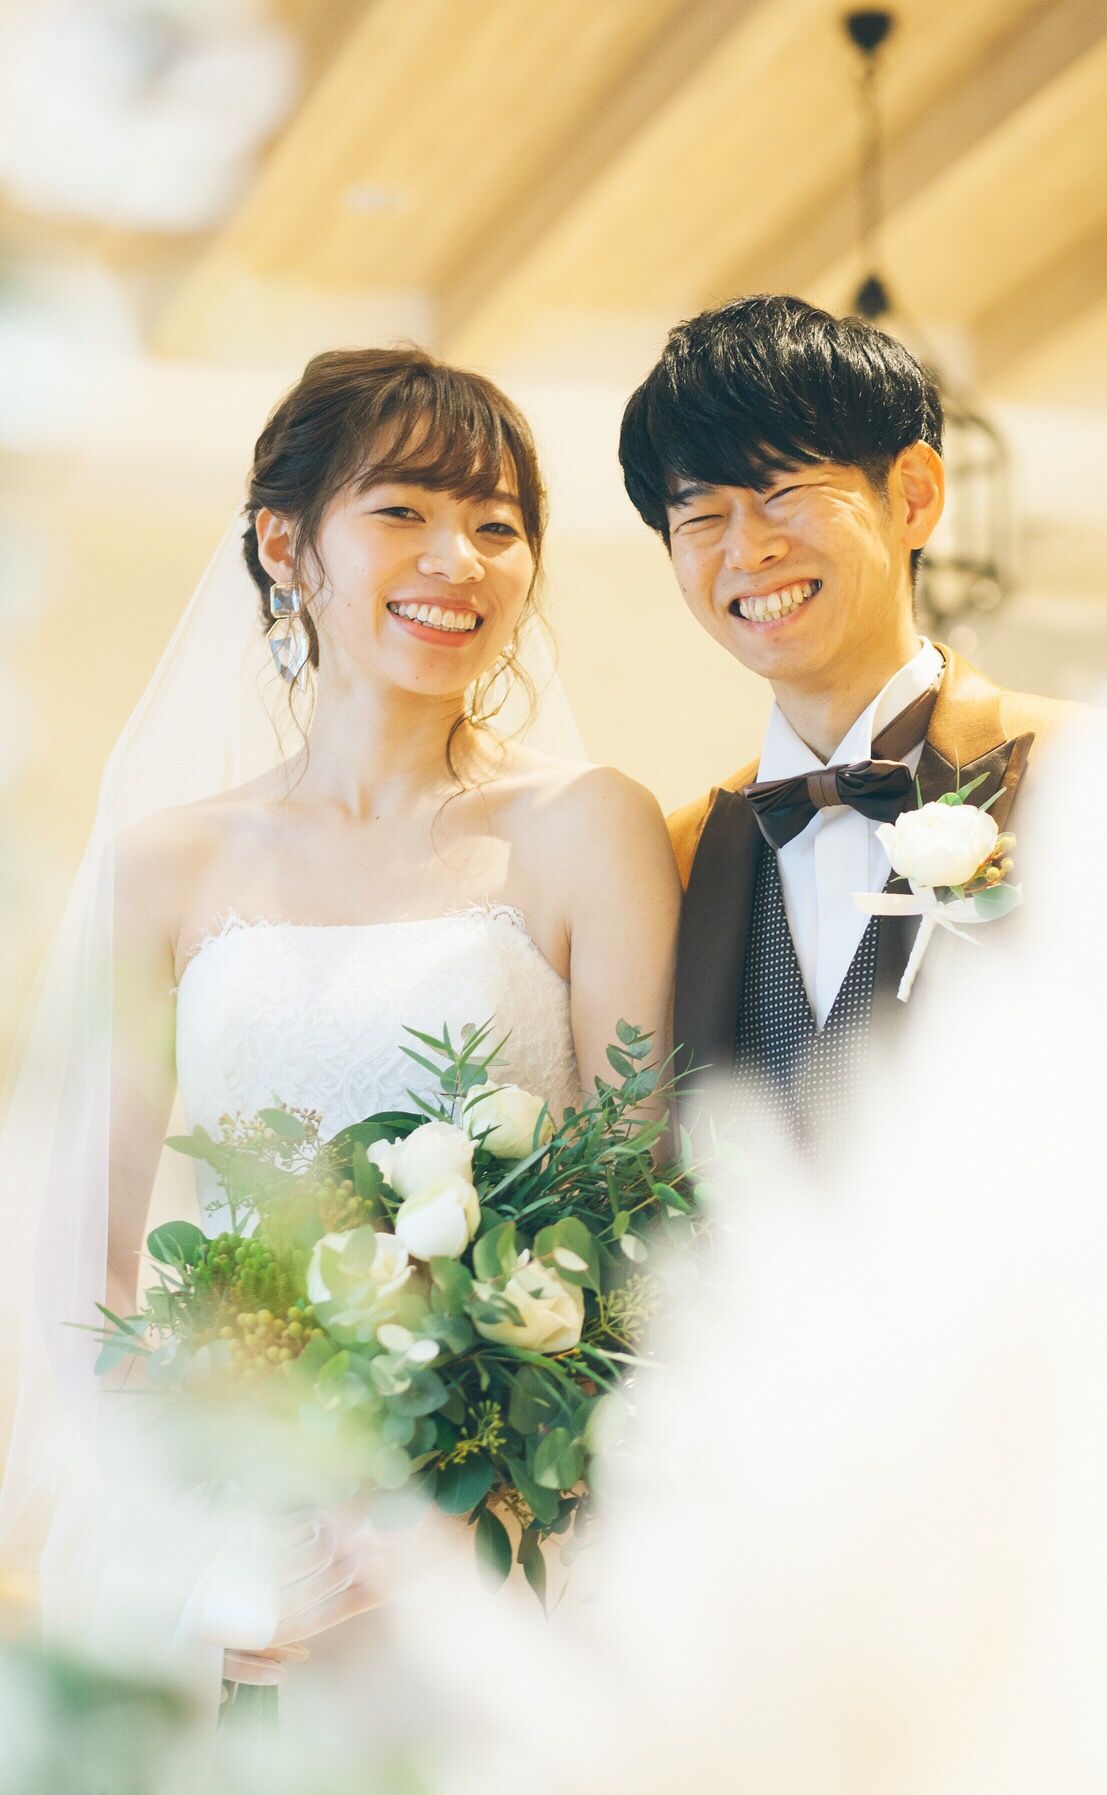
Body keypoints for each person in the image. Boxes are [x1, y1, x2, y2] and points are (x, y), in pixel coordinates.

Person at [0, 345, 679, 1698]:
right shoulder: (166, 865)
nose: (458, 560)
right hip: (238, 1541)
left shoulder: (585, 825)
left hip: (505, 1534)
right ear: (284, 544)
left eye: (497, 526)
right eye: (403, 510)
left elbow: (642, 1195)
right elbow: (88, 1257)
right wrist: (201, 1520)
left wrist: (479, 1494)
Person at [619, 294, 1075, 1143]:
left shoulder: (1086, 772)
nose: (747, 549)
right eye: (702, 515)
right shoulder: (679, 854)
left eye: (783, 491)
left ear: (913, 496)